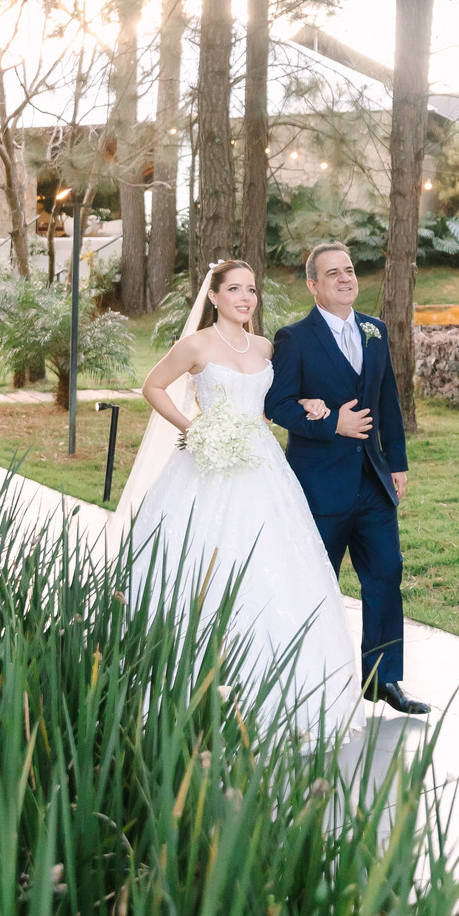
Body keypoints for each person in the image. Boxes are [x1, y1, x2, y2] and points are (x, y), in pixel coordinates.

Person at [124, 259, 362, 736]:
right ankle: (193, 687)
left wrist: (309, 403)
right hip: (207, 466)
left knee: (273, 565)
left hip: (262, 466)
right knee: (204, 564)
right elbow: (153, 386)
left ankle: (274, 692)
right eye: (234, 289)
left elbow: (273, 404)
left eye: (251, 290)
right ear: (213, 296)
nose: (245, 298)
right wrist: (193, 428)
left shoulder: (265, 347)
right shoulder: (195, 344)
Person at [265, 242, 427, 717]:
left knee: (386, 574)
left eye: (349, 270)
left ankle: (383, 679)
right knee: (317, 583)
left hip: (373, 481)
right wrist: (331, 423)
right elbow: (277, 405)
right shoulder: (294, 338)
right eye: (332, 273)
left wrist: (397, 464)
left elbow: (388, 401)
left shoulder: (375, 330)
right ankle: (310, 681)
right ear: (312, 285)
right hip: (320, 486)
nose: (345, 278)